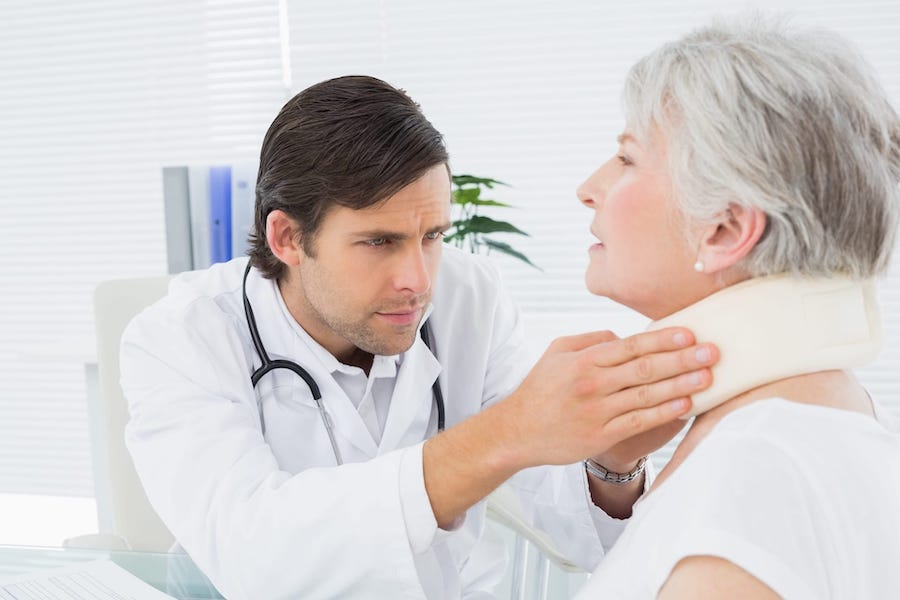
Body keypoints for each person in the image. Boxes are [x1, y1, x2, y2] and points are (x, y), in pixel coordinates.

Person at [120, 75, 718, 599]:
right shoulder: (180, 338)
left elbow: (573, 525)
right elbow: (255, 558)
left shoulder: (469, 296)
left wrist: (613, 460)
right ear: (287, 239)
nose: (417, 280)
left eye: (432, 235)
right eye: (379, 241)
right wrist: (510, 431)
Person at [573, 17, 900, 599]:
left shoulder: (751, 474)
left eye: (627, 158)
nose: (588, 187)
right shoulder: (838, 417)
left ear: (725, 229)